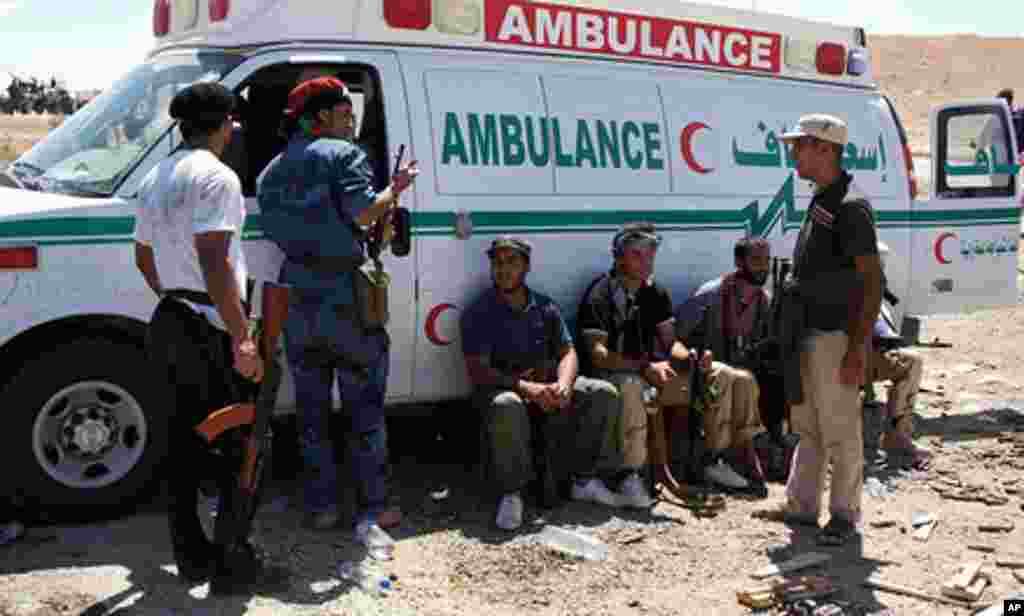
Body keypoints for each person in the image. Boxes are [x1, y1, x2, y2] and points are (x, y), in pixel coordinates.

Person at [134, 82, 285, 594]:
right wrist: (243, 338)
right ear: (224, 125)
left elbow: (144, 258)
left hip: (171, 319)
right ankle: (231, 564)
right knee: (237, 444)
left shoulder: (157, 176)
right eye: (232, 122)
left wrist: (176, 296)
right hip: (209, 327)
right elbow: (215, 260)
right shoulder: (217, 178)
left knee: (181, 447)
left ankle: (193, 557)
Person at [256, 77, 418, 553]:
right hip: (346, 293)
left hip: (297, 294)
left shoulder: (269, 173)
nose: (351, 123)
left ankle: (322, 505)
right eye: (346, 114)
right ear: (321, 117)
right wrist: (397, 187)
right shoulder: (341, 155)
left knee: (311, 412)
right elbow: (366, 213)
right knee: (364, 407)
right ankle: (373, 507)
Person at [765, 114, 884, 546]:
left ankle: (844, 514)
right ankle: (801, 505)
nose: (794, 153)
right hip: (807, 332)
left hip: (835, 336)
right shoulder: (824, 199)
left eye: (801, 145)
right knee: (810, 425)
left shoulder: (850, 206)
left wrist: (858, 347)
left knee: (841, 430)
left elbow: (872, 282)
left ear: (826, 149)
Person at [459, 237, 620, 530]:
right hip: (504, 391)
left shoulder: (545, 307)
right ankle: (512, 494)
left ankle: (583, 480)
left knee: (602, 393)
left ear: (526, 267)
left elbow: (567, 352)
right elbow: (478, 371)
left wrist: (564, 383)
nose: (503, 269)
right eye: (498, 262)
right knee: (506, 405)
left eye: (512, 262)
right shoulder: (478, 312)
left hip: (546, 387)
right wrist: (526, 388)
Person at [576, 222, 717, 507]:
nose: (647, 260)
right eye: (638, 254)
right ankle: (630, 475)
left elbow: (670, 344)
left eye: (650, 254)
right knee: (633, 387)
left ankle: (712, 460)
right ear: (619, 258)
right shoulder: (601, 294)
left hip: (645, 369)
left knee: (720, 375)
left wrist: (690, 358)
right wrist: (644, 367)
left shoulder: (655, 292)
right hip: (610, 375)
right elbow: (598, 356)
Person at [674, 237, 776, 486]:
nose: (763, 267)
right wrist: (693, 357)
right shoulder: (712, 294)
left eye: (766, 261)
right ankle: (713, 460)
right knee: (730, 376)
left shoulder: (763, 301)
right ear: (739, 262)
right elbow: (675, 337)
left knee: (746, 379)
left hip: (739, 372)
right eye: (756, 261)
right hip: (701, 368)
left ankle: (745, 456)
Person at [867, 241, 932, 469]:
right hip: (850, 359)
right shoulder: (852, 290)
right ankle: (895, 435)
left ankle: (898, 433)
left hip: (874, 355)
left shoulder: (877, 295)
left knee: (912, 361)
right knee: (909, 363)